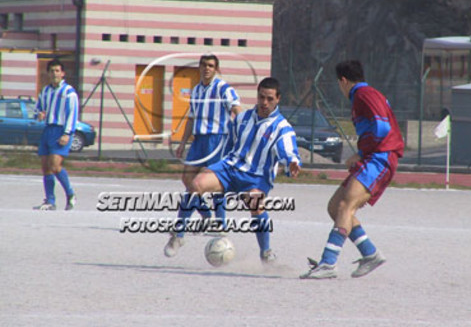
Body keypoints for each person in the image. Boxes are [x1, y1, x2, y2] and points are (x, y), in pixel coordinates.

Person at [165, 77, 301, 262]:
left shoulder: (283, 128)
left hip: (256, 177)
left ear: (278, 99)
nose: (264, 102)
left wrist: (292, 162)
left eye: (269, 98)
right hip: (230, 168)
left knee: (255, 205)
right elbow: (229, 144)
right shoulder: (242, 118)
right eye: (261, 97)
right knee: (195, 184)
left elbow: (287, 150)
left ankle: (266, 252)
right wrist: (216, 165)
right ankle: (178, 236)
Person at [300, 60, 404, 279]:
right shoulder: (365, 94)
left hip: (380, 158)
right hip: (374, 157)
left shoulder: (364, 95)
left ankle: (328, 263)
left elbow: (382, 127)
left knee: (346, 206)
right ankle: (370, 254)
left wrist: (362, 152)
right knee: (335, 206)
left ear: (343, 81)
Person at [164, 54, 241, 256]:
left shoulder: (224, 88)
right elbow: (191, 118)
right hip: (199, 141)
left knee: (212, 185)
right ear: (198, 67)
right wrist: (182, 142)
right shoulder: (196, 90)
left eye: (211, 65)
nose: (206, 68)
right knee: (188, 180)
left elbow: (237, 111)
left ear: (216, 69)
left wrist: (245, 133)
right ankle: (209, 218)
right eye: (204, 65)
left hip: (218, 141)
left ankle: (181, 233)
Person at [33, 59, 79, 211]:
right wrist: (39, 115)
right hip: (48, 130)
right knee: (46, 167)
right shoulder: (45, 91)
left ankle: (70, 194)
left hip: (61, 130)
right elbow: (37, 109)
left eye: (57, 71)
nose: (54, 74)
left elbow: (73, 114)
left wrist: (67, 133)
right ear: (48, 73)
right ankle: (50, 201)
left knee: (55, 165)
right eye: (52, 71)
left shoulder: (69, 92)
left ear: (63, 73)